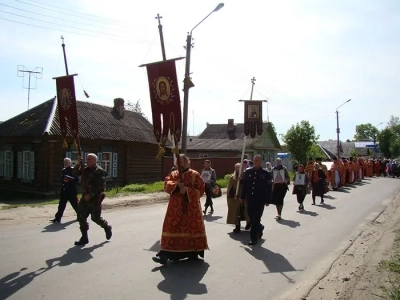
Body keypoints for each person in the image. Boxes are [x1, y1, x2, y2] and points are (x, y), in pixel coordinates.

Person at [152, 154, 207, 265]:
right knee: (171, 228)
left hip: (191, 209)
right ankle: (164, 255)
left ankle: (192, 253)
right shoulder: (173, 174)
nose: (180, 164)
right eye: (178, 162)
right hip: (175, 209)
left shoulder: (195, 175)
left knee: (191, 230)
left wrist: (187, 190)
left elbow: (200, 190)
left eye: (181, 162)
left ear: (187, 161)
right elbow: (166, 185)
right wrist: (176, 186)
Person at [72, 153, 112, 246]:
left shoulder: (99, 171)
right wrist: (78, 164)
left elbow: (101, 187)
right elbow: (74, 173)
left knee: (95, 218)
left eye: (89, 159)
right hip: (85, 198)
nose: (87, 160)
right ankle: (84, 238)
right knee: (81, 217)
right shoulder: (84, 169)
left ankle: (106, 227)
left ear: (94, 161)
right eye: (87, 159)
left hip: (94, 199)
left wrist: (90, 195)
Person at [240, 155, 272, 246]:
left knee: (255, 219)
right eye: (254, 160)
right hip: (250, 198)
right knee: (251, 216)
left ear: (261, 161)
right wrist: (242, 197)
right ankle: (260, 227)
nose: (255, 162)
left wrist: (268, 199)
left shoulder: (266, 173)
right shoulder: (248, 171)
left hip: (260, 200)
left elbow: (269, 187)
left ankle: (253, 238)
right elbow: (245, 186)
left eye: (257, 160)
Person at [51, 158, 79, 223]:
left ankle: (80, 216)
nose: (65, 164)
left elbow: (77, 180)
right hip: (64, 191)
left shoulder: (73, 170)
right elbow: (62, 179)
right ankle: (58, 218)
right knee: (61, 205)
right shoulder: (63, 171)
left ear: (70, 163)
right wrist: (64, 180)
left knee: (75, 204)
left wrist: (69, 180)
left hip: (71, 191)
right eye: (64, 162)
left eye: (66, 162)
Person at [226, 163, 251, 233]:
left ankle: (248, 223)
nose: (237, 169)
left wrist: (242, 180)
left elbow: (248, 186)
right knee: (236, 212)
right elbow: (229, 188)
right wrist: (233, 194)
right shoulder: (232, 177)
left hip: (244, 197)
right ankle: (237, 227)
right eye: (236, 167)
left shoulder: (246, 176)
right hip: (236, 198)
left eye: (239, 167)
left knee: (246, 210)